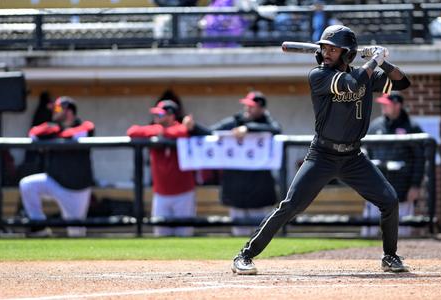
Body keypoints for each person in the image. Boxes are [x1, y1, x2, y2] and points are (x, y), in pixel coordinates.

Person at [231, 24, 411, 275]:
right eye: (324, 48)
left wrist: (383, 63)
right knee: (291, 205)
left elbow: (402, 84)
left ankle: (389, 257)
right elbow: (351, 83)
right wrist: (373, 62)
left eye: (333, 49)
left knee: (389, 200)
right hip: (323, 155)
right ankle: (245, 255)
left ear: (347, 53)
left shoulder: (364, 74)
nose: (326, 53)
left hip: (353, 157)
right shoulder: (319, 75)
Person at [127, 100, 208, 237]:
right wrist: (159, 131)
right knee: (161, 236)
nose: (156, 117)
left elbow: (182, 131)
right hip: (161, 194)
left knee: (184, 235)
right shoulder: (155, 130)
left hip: (184, 193)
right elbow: (132, 131)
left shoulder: (181, 129)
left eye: (160, 114)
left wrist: (161, 132)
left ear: (171, 116)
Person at [19, 96, 95, 237]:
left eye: (58, 108)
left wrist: (55, 136)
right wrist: (57, 133)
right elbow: (33, 133)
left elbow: (79, 133)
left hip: (76, 189)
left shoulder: (85, 126)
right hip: (54, 181)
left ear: (69, 111)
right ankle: (39, 227)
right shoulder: (53, 127)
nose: (54, 111)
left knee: (76, 233)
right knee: (28, 185)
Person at [211, 91, 281, 236]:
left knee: (260, 234)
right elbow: (211, 131)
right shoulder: (235, 121)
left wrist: (248, 129)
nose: (248, 109)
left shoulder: (267, 123)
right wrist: (192, 127)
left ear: (262, 109)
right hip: (235, 188)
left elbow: (276, 129)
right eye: (247, 106)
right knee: (238, 235)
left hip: (259, 190)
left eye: (252, 106)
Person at [361, 91, 425, 238]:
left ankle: (399, 256)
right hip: (377, 184)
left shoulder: (412, 127)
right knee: (368, 230)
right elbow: (365, 153)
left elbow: (420, 159)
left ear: (398, 105)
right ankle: (362, 259)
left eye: (387, 104)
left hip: (402, 187)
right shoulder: (376, 125)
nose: (383, 107)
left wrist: (415, 186)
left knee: (401, 231)